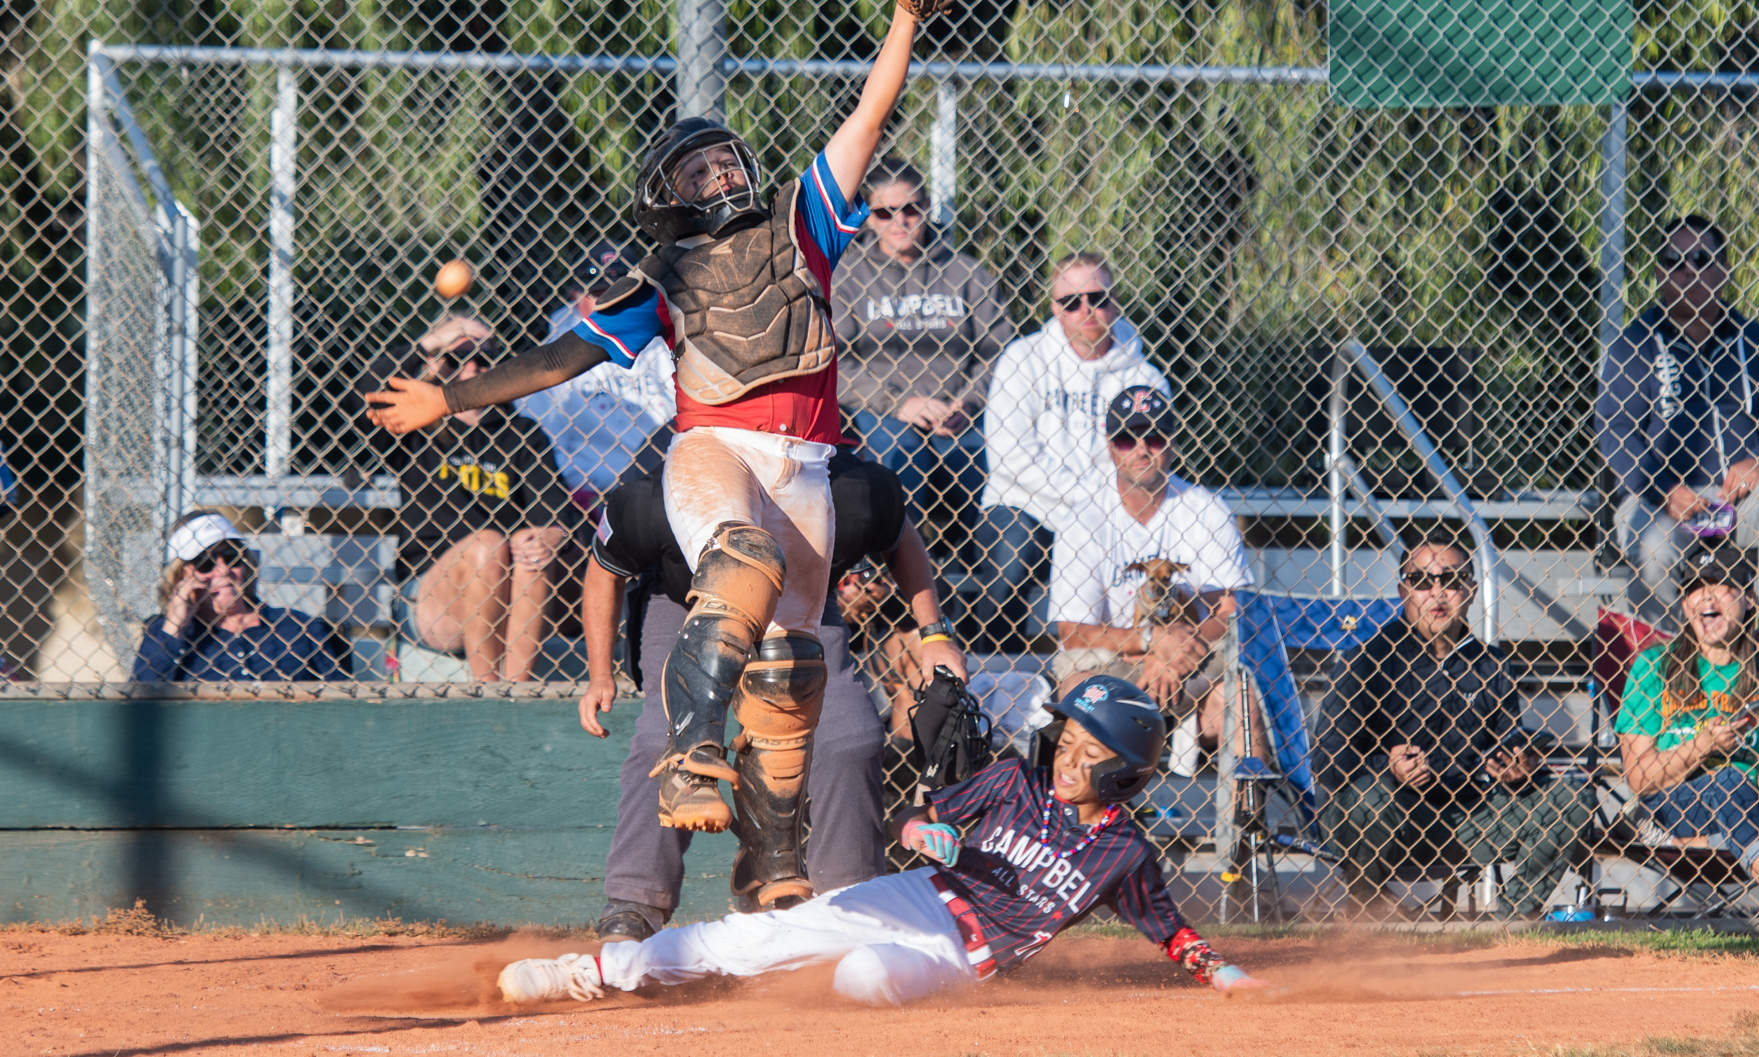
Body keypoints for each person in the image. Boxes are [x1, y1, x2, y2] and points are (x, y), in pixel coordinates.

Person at [365, 0, 924, 910]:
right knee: (739, 557)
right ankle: (690, 754)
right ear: (668, 199)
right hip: (715, 448)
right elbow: (562, 359)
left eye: (724, 158)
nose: (719, 171)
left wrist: (906, 19)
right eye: (696, 169)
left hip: (805, 466)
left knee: (791, 673)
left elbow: (868, 118)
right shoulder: (664, 277)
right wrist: (450, 398)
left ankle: (774, 870)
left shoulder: (802, 225)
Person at [493, 674, 1265, 1007]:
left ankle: (752, 981)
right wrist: (922, 828)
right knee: (763, 932)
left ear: (1124, 774)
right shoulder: (1014, 782)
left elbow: (1170, 928)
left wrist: (1223, 972)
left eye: (1088, 755)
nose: (1067, 760)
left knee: (863, 977)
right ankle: (595, 969)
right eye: (1065, 742)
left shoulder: (1123, 855)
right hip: (918, 895)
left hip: (963, 961)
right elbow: (911, 819)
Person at [577, 448, 965, 940]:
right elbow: (605, 570)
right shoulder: (669, 491)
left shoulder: (847, 489)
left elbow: (900, 539)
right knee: (664, 737)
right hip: (687, 602)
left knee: (850, 738)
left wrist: (934, 635)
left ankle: (848, 900)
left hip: (802, 605)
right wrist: (599, 674)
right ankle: (635, 901)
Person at [1311, 527, 1591, 919]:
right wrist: (1386, 767)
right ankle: (1367, 916)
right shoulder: (1368, 660)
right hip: (1391, 815)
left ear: (1471, 591)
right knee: (1368, 799)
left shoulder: (1491, 665)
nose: (1438, 593)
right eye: (1421, 581)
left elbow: (1507, 741)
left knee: (1572, 799)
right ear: (1403, 592)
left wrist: (1516, 766)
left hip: (1468, 815)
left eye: (1453, 580)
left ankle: (1510, 923)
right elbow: (1326, 758)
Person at [1596, 212, 1759, 630]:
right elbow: (1616, 432)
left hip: (1743, 502)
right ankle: (1672, 657)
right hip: (1664, 503)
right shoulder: (1634, 343)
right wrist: (1663, 489)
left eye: (1702, 259)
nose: (1688, 270)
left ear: (1724, 271)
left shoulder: (1757, 340)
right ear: (1659, 273)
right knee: (1653, 547)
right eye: (1674, 261)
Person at [1047, 386, 1266, 762]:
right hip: (1113, 664)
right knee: (1077, 689)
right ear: (1110, 447)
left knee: (1240, 694)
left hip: (1192, 662)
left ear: (1172, 444)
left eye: (1154, 438)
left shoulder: (1205, 508)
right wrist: (1152, 642)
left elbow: (1233, 609)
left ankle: (1250, 799)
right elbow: (1073, 632)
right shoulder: (1082, 518)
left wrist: (1177, 651)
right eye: (1127, 439)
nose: (1141, 450)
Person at [358, 315, 577, 682]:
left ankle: (515, 694)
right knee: (487, 546)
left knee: (530, 548)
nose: (473, 367)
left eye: (485, 359)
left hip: (508, 587)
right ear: (438, 366)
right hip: (430, 592)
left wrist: (548, 538)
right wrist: (429, 343)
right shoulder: (415, 425)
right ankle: (487, 692)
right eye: (458, 358)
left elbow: (554, 513)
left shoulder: (521, 433)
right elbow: (366, 395)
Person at [974, 252, 1169, 650]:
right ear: (1054, 309)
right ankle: (993, 665)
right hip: (1027, 504)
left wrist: (1100, 508)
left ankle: (1116, 666)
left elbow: (1146, 459)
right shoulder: (1023, 359)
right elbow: (1009, 456)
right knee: (1011, 554)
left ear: (1114, 302)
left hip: (1109, 513)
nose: (1086, 310)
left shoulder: (1144, 377)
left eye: (1097, 298)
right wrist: (1086, 498)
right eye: (1071, 302)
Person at [834, 157, 1012, 545]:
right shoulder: (848, 277)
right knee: (901, 454)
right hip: (882, 409)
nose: (899, 221)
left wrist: (968, 401)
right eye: (884, 212)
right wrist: (899, 403)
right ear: (869, 218)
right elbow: (836, 364)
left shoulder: (967, 273)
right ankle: (897, 567)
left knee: (982, 459)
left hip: (958, 410)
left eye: (910, 209)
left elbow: (998, 353)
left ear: (927, 207)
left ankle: (979, 567)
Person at [1615, 545, 1759, 916]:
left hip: (1756, 803)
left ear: (1749, 599)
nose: (1706, 597)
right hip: (1674, 805)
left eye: (1720, 585)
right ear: (1685, 605)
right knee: (1728, 780)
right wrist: (1702, 746)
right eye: (1695, 588)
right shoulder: (1653, 667)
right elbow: (1639, 779)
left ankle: (1725, 842)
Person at [516, 249, 676, 513]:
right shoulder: (557, 352)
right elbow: (545, 440)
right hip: (590, 495)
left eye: (620, 292)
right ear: (575, 296)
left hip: (662, 482)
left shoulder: (661, 342)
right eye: (600, 294)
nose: (612, 303)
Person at [133, 512, 349, 682]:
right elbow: (140, 699)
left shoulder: (297, 628)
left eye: (231, 557)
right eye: (205, 563)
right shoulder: (165, 634)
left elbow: (339, 701)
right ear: (181, 575)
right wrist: (174, 627)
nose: (223, 571)